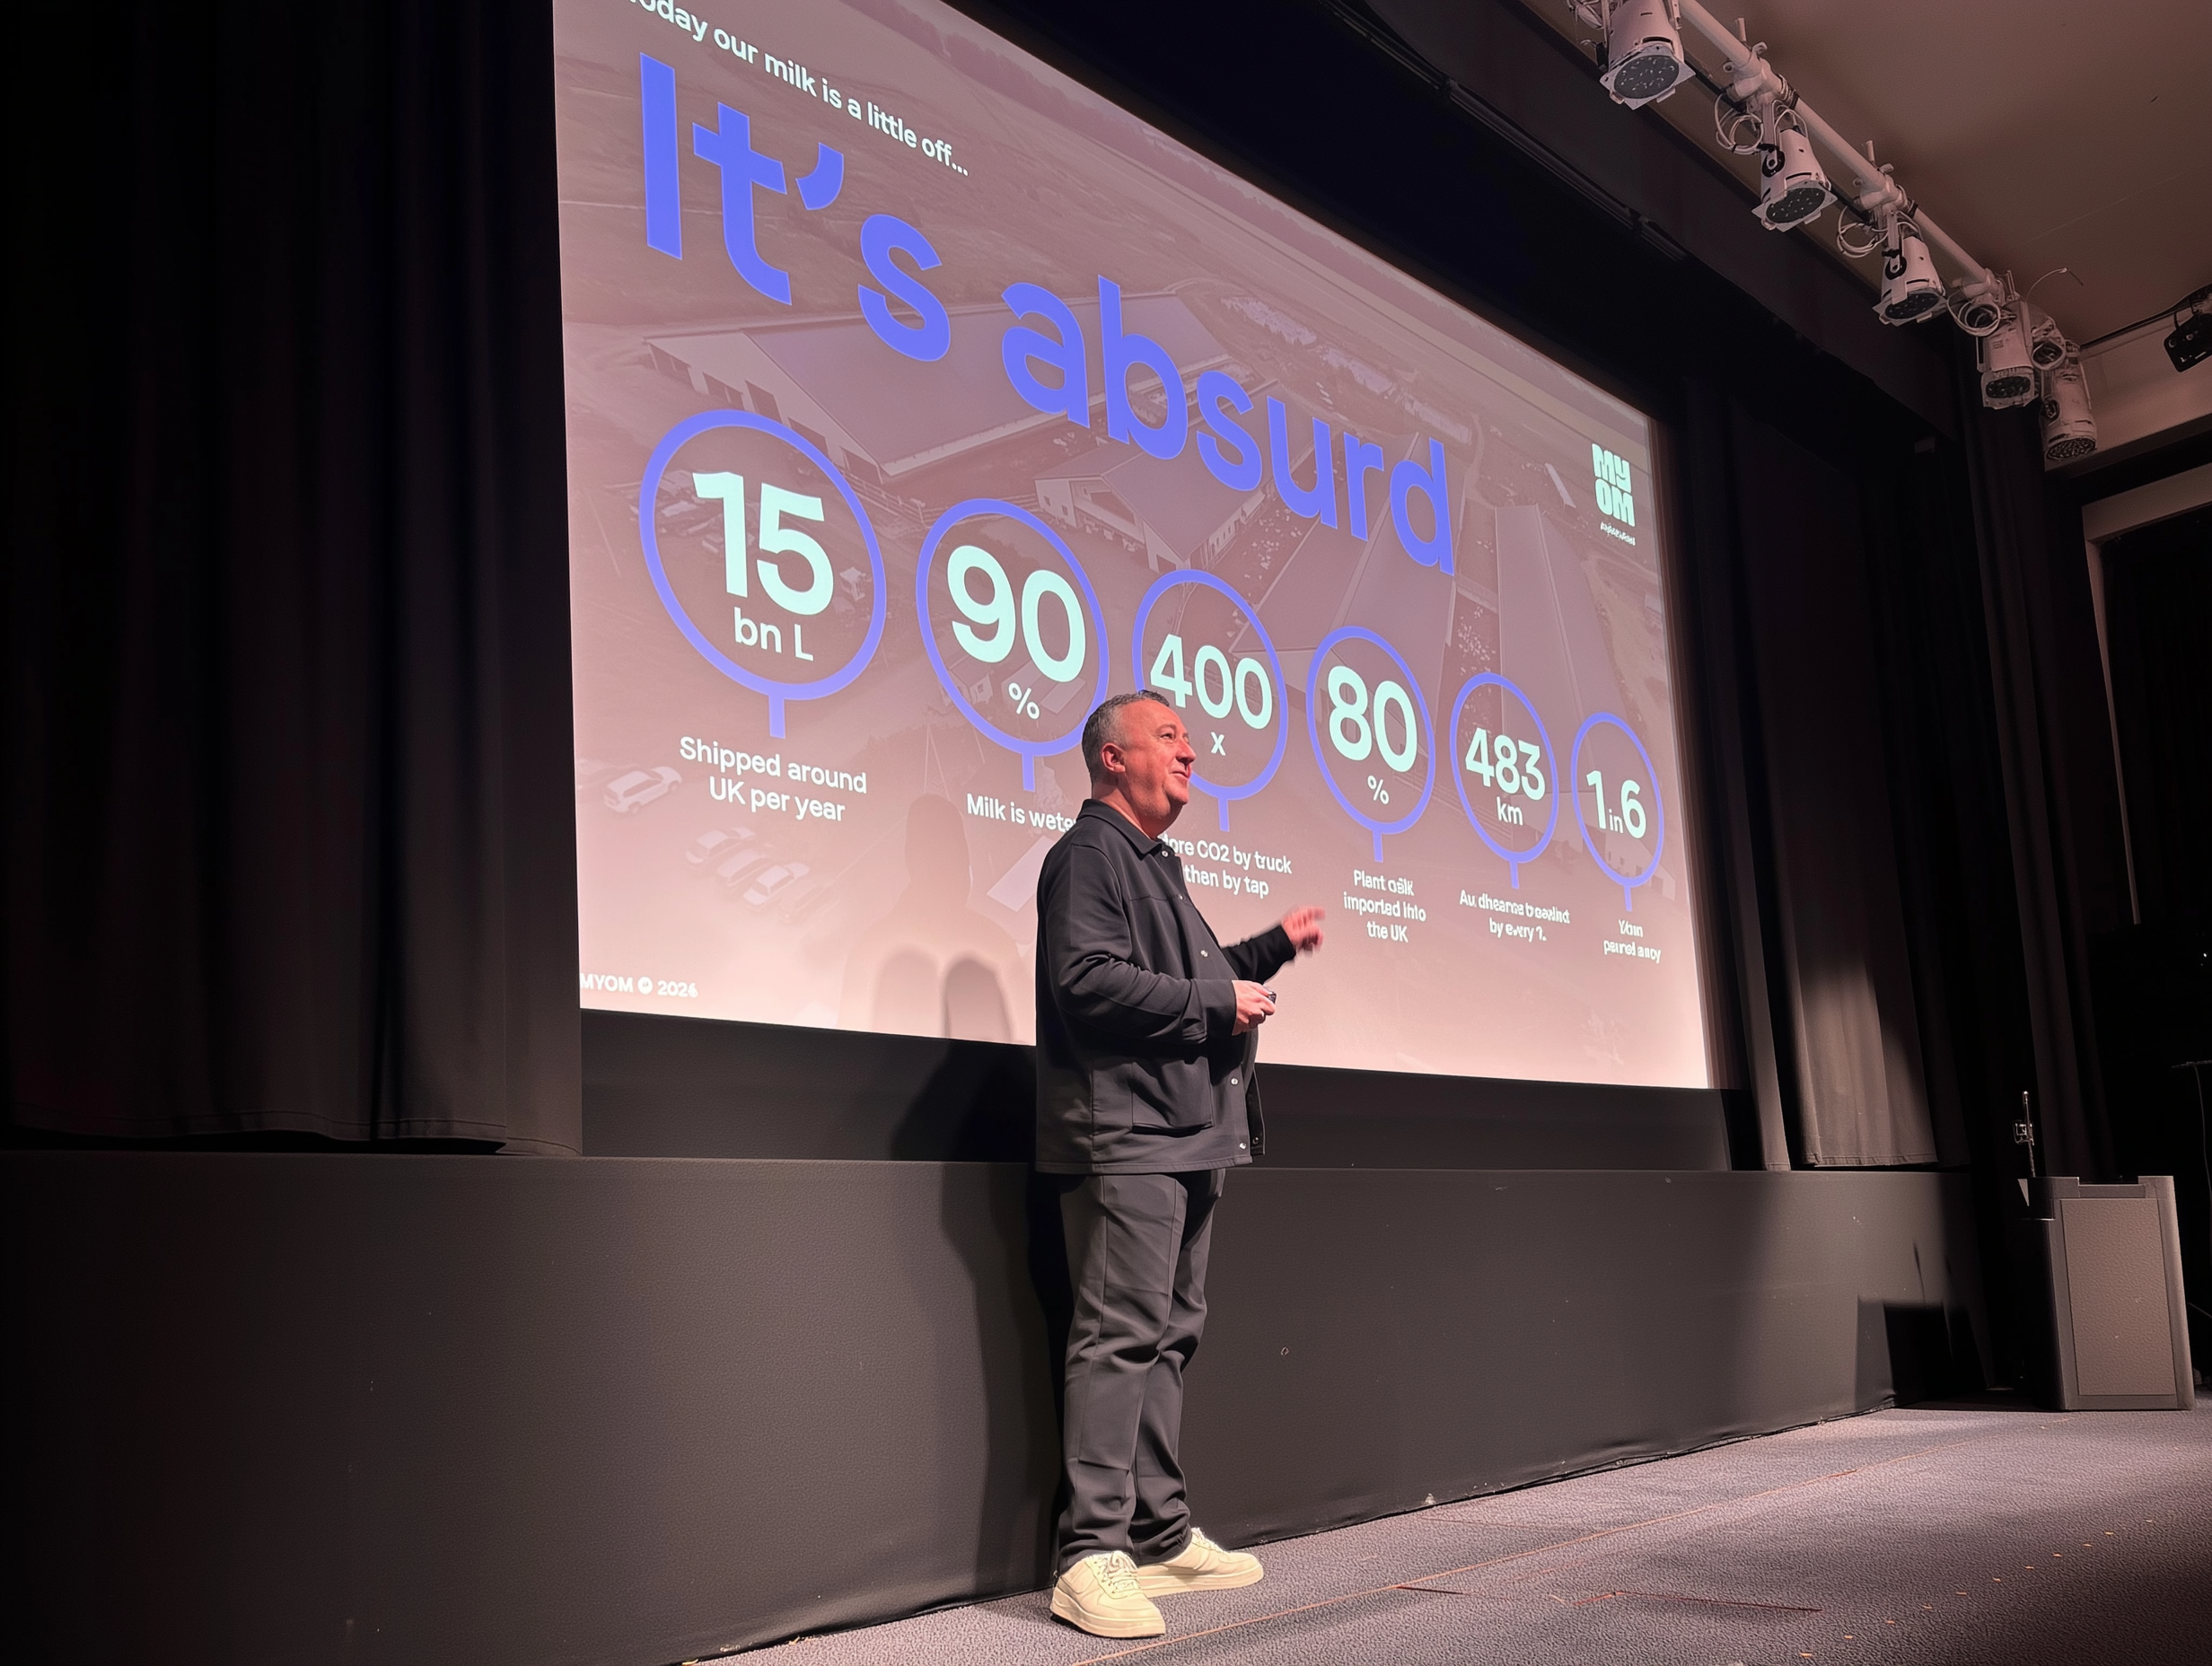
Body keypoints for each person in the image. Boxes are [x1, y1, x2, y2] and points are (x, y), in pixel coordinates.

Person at [1034, 690, 1325, 1639]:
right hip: (1128, 1137)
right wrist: (1214, 1002)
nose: (1191, 751)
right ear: (1112, 758)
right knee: (1119, 1336)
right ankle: (1089, 1552)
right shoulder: (1087, 856)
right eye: (1168, 736)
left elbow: (1194, 975)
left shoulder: (1158, 864)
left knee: (1166, 1336)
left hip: (1187, 1134)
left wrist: (1272, 946)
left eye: (1189, 739)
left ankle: (1156, 1533)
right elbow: (1086, 980)